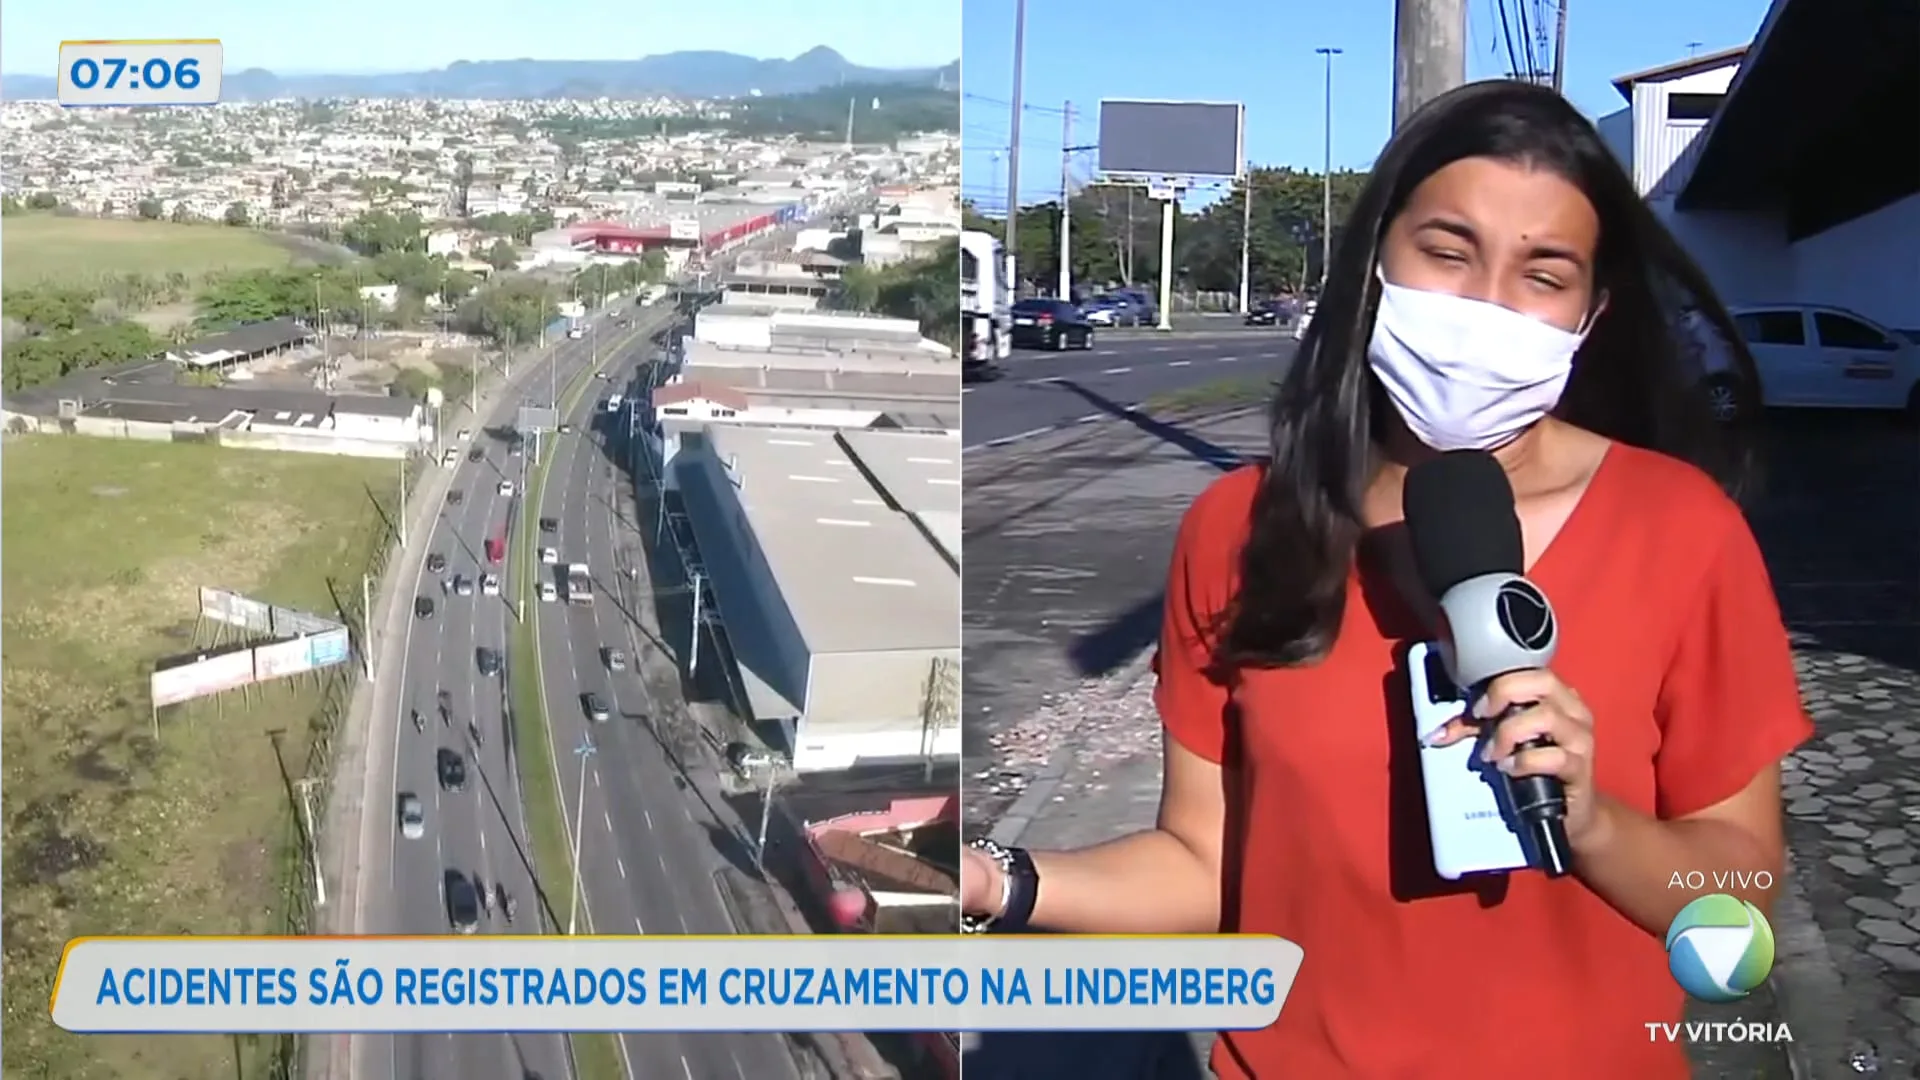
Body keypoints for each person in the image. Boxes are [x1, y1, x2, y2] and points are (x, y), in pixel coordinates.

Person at [959, 80, 1807, 1079]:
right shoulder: (1238, 530)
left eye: (1543, 274)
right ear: (1372, 267)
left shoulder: (1680, 529)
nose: (1488, 306)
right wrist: (994, 880)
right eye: (1447, 253)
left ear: (1591, 312)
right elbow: (1207, 865)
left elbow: (1737, 895)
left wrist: (1595, 823)